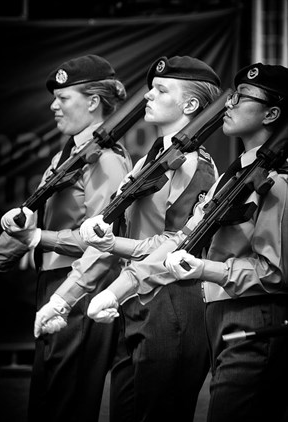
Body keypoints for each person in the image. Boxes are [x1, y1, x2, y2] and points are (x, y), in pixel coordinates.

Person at [81, 63, 288, 422]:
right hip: (219, 316)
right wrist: (113, 245)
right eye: (231, 95)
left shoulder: (277, 183)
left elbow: (274, 274)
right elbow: (181, 240)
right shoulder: (234, 175)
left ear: (271, 113)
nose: (230, 103)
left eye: (242, 98)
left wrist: (205, 268)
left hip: (254, 317)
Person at [33, 56, 222, 421]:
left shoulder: (194, 164)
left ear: (191, 105)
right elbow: (111, 238)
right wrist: (63, 298)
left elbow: (174, 244)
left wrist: (114, 286)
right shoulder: (148, 162)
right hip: (132, 303)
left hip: (171, 305)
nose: (147, 96)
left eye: (161, 90)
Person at [0, 54, 133, 422]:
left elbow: (101, 239)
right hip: (56, 284)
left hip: (80, 286)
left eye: (63, 98)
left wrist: (40, 237)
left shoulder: (105, 158)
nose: (53, 105)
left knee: (66, 405)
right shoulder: (70, 154)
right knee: (47, 403)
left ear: (93, 102)